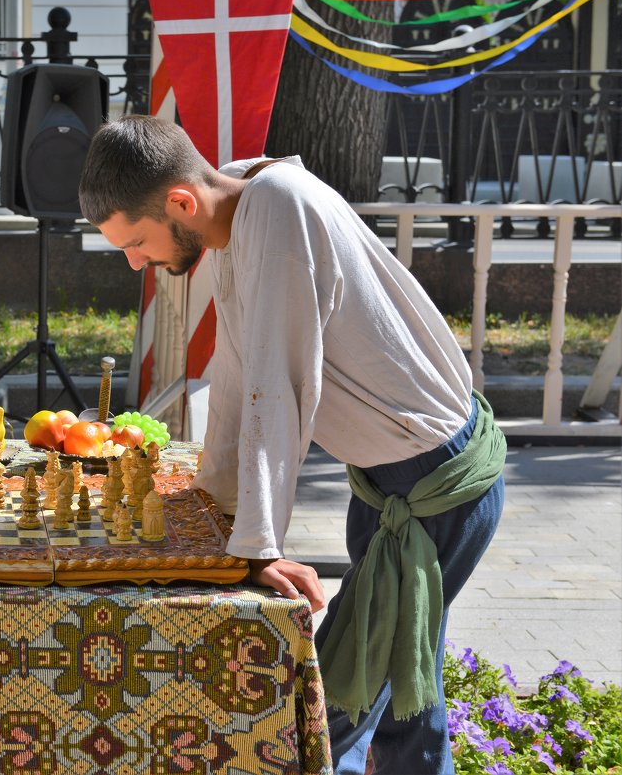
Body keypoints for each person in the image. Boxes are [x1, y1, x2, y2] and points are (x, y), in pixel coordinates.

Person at [79, 115, 506, 774]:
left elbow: (276, 392)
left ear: (181, 203)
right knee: (400, 704)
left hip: (435, 486)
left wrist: (257, 547)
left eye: (135, 242)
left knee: (327, 709)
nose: (136, 262)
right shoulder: (239, 210)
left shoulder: (277, 207)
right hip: (388, 479)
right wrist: (212, 507)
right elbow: (234, 371)